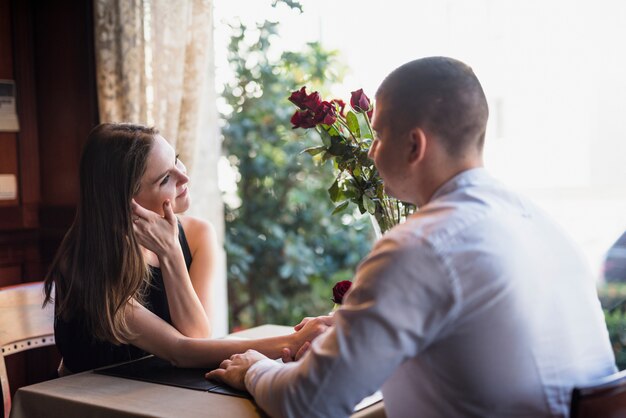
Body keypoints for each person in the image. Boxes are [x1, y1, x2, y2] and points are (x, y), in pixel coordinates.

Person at [206, 57, 617, 417]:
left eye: (379, 135)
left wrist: (255, 369)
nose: (371, 152)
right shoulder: (541, 225)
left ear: (414, 145)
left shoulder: (420, 246)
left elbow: (309, 404)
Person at [43, 123, 325, 374]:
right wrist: (292, 341)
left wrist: (172, 252)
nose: (184, 178)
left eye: (177, 161)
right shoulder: (87, 259)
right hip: (86, 403)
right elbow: (182, 349)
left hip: (157, 390)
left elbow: (199, 336)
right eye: (165, 178)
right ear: (127, 203)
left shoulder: (198, 234)